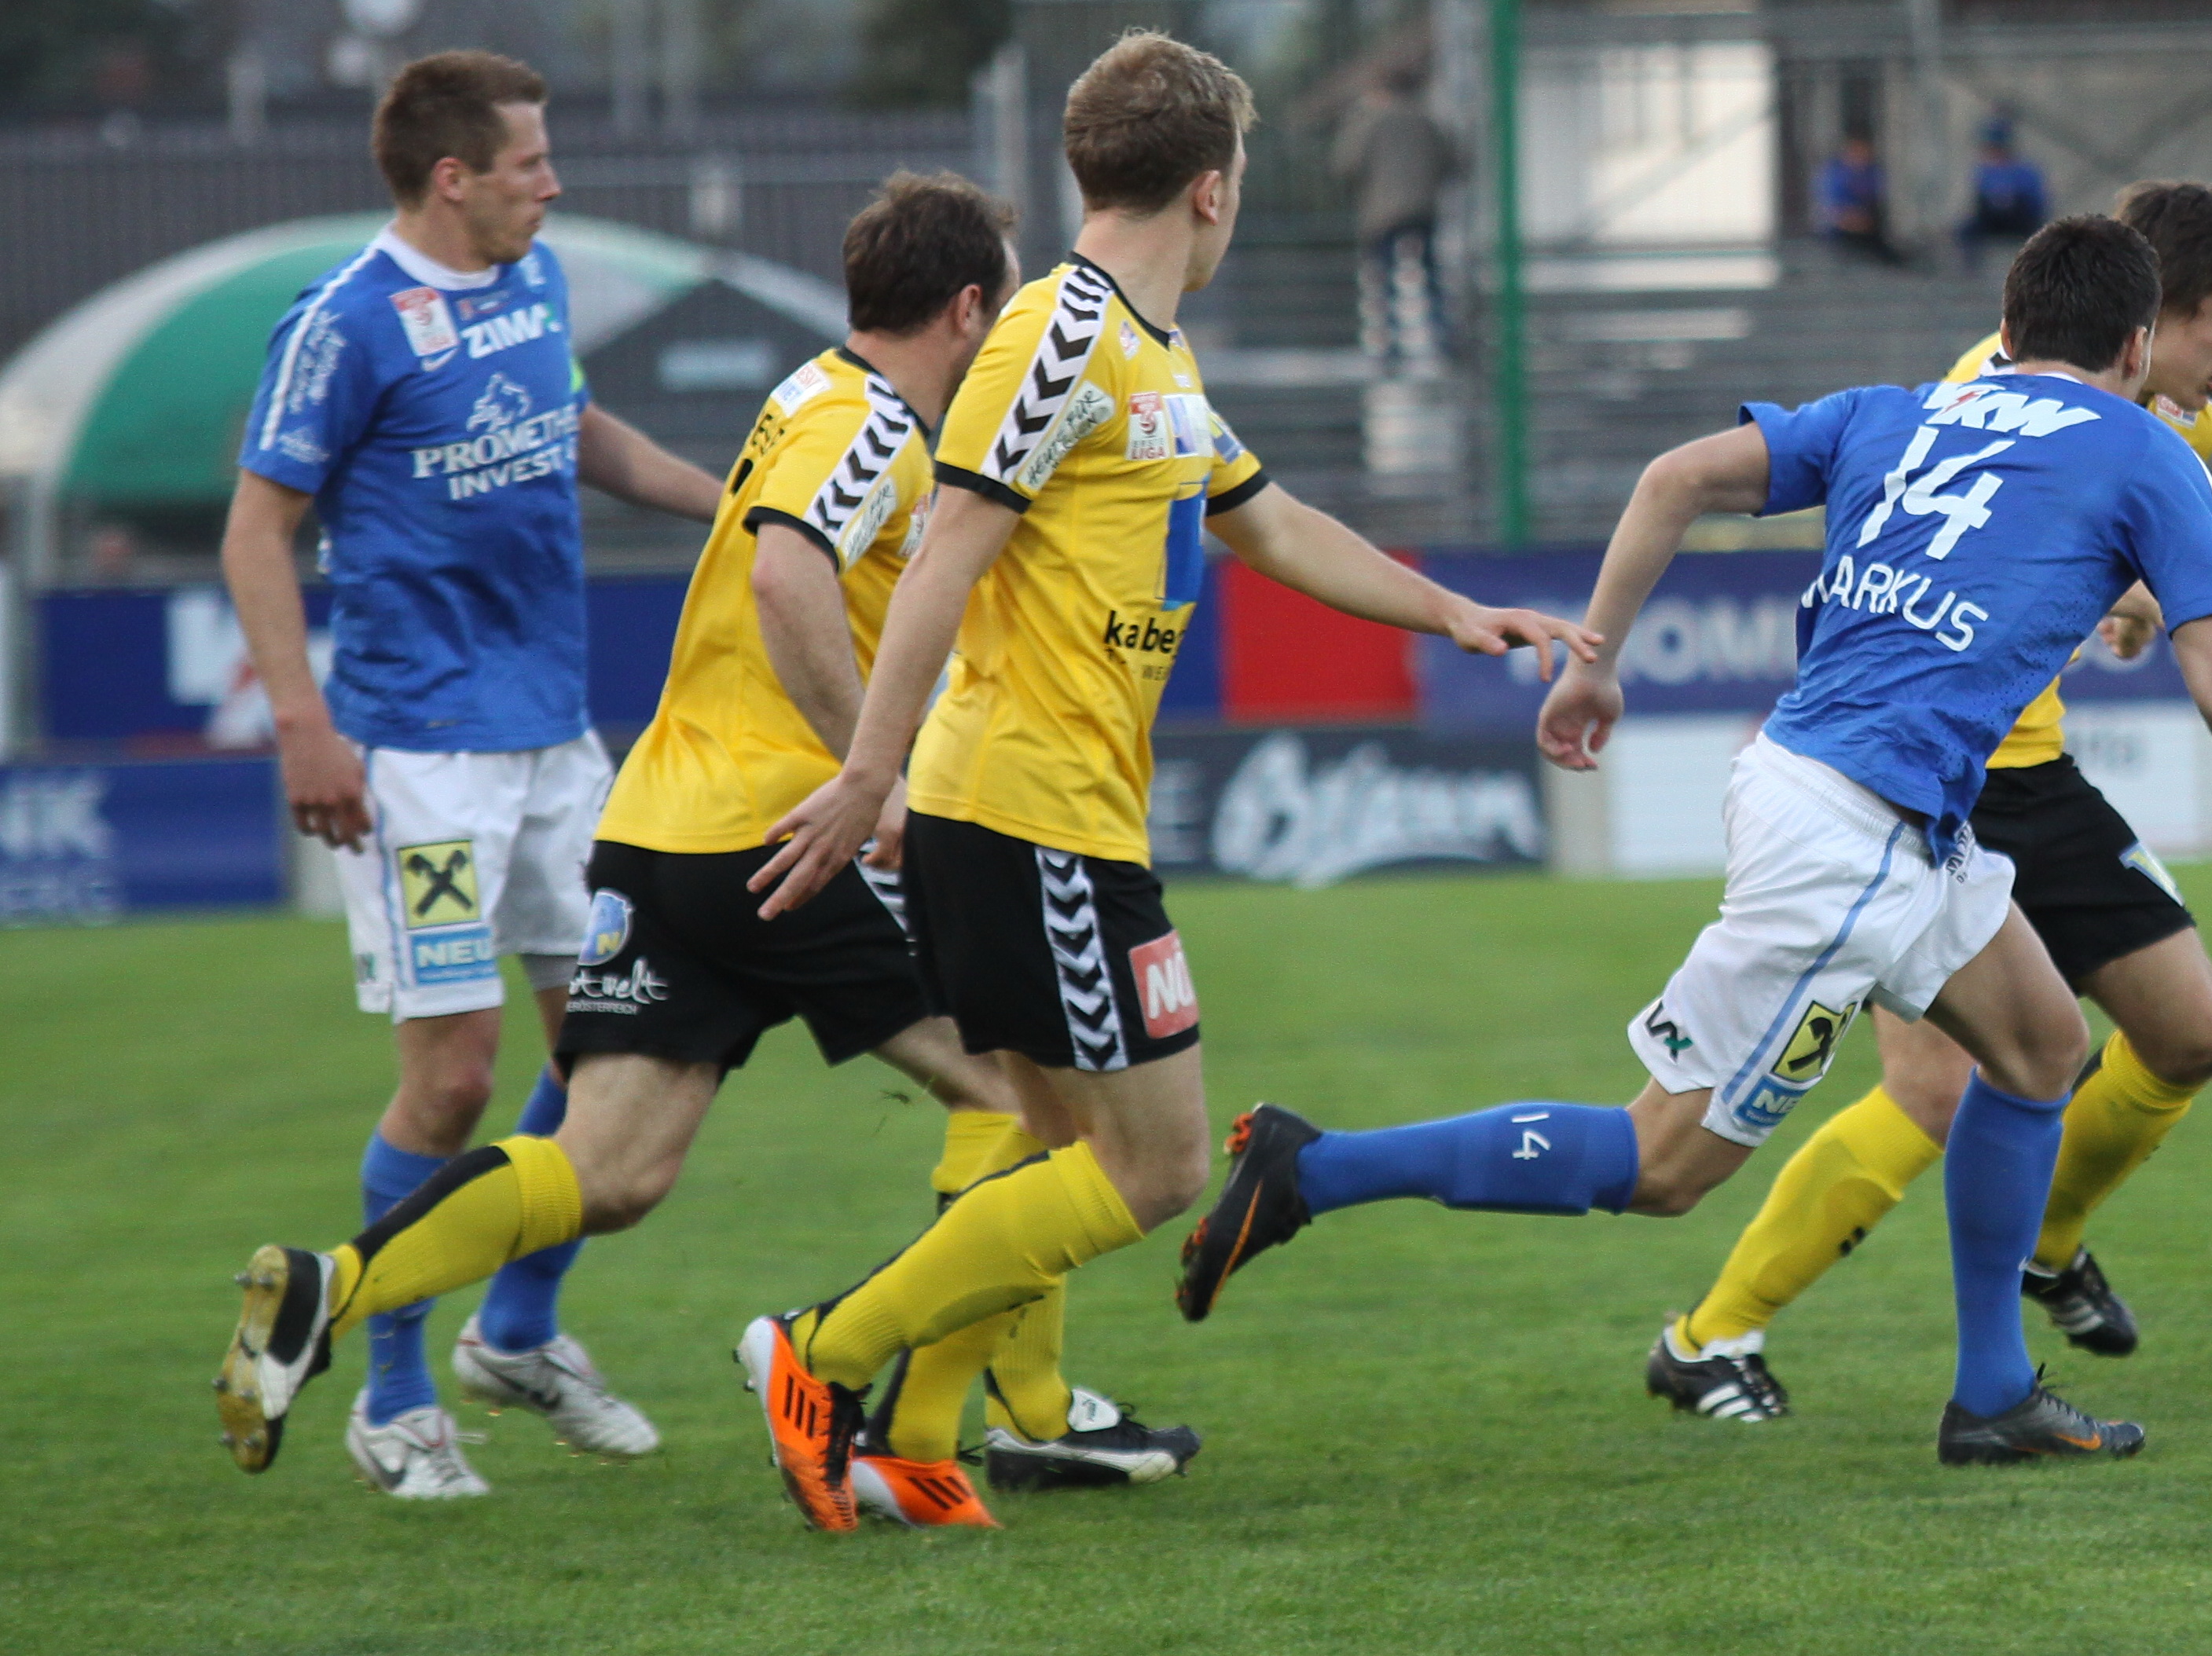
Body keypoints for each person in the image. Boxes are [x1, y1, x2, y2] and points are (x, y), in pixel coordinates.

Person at [214, 29, 1592, 1535]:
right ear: (1212, 187)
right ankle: (847, 1360)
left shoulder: (1148, 352)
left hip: (825, 813)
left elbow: (1263, 517)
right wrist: (870, 771)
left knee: (848, 1145)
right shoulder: (1050, 336)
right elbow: (926, 555)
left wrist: (1452, 610)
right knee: (1134, 1161)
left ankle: (897, 1425)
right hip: (993, 808)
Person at [1174, 214, 2212, 1467]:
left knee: (2042, 1046)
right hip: (1852, 837)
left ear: (2005, 331)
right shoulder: (2151, 452)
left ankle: (1994, 1392)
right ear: (2135, 345)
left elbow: (1672, 478)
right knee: (1661, 1164)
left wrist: (1594, 663)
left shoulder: (1894, 411)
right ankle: (1315, 1168)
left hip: (1857, 798)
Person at [215, 170, 1205, 1527]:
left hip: (659, 832)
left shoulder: (806, 392)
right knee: (1032, 1103)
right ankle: (1004, 1416)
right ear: (969, 309)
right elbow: (788, 572)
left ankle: (330, 1286)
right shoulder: (876, 423)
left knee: (608, 1168)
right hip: (784, 834)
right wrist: (874, 778)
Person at [1642, 179, 2212, 1424]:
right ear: (2146, 321)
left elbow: (2083, 551)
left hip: (2040, 776)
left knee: (2192, 1034)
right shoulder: (1994, 384)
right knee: (1936, 1094)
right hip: (1937, 780)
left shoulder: (2180, 427)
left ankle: (2045, 1240)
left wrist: (2127, 603)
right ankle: (1710, 1335)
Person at [219, 49, 722, 1499]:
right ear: (453, 178)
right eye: (528, 164)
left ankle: (516, 1332)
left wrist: (740, 506)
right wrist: (303, 725)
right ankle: (391, 1401)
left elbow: (577, 431)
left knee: (608, 1055)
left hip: (557, 741)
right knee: (450, 1081)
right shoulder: (342, 323)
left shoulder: (532, 280)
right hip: (423, 756)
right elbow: (257, 532)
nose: (551, 185)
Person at [1332, 60, 1459, 374]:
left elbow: (1346, 163)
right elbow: (1452, 161)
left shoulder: (1371, 121)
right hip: (1423, 208)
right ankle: (1443, 341)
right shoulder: (1426, 120)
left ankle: (1390, 349)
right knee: (1430, 275)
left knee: (1385, 280)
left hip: (1382, 212)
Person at [1955, 118, 2047, 272]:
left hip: (2020, 220)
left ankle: (2036, 270)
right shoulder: (1984, 171)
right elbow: (1979, 201)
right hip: (1993, 220)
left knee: (2041, 236)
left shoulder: (2025, 170)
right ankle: (1969, 270)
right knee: (1966, 231)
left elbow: (2036, 204)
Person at [1819, 134, 1899, 266]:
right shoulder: (1834, 177)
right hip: (1841, 238)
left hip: (1871, 233)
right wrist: (1855, 221)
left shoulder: (1872, 173)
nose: (1862, 157)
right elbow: (1832, 213)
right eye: (1857, 152)